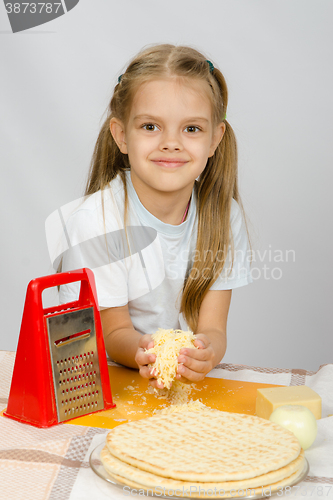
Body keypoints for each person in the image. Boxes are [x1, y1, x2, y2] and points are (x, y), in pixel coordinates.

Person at [57, 44, 252, 390]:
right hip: (102, 381)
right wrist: (143, 351)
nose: (171, 143)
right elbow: (114, 332)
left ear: (214, 139)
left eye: (191, 129)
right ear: (122, 136)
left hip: (173, 384)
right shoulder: (97, 222)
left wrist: (207, 351)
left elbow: (214, 328)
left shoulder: (223, 217)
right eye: (151, 127)